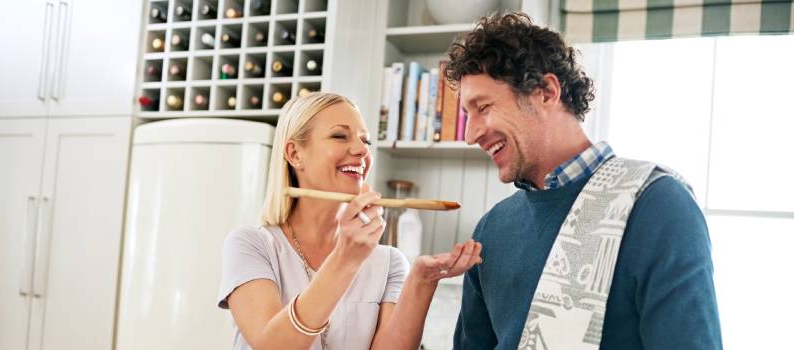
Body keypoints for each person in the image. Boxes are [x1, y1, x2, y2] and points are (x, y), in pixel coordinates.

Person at [446, 11, 722, 350]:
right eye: (467, 115)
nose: (471, 134)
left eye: (484, 107)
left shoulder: (657, 206)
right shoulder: (491, 229)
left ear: (546, 92)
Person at [217, 92, 482, 350]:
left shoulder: (389, 263)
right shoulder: (251, 245)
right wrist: (346, 258)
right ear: (295, 154)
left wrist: (422, 282)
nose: (361, 150)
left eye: (365, 141)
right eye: (339, 136)